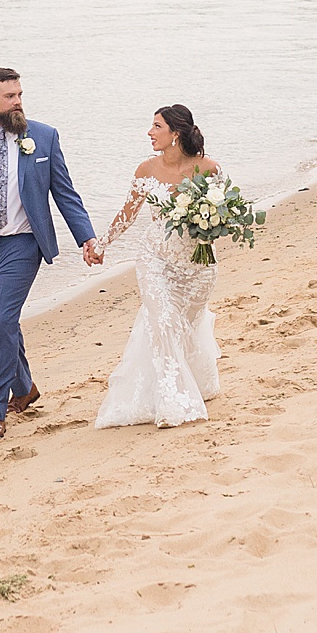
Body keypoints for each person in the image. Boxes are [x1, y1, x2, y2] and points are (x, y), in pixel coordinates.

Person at [0, 68, 96, 442]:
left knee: (5, 319)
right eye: (10, 97)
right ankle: (24, 387)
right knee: (0, 322)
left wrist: (85, 238)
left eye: (20, 94)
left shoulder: (43, 136)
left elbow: (64, 192)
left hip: (24, 243)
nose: (18, 102)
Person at [85, 105, 224, 429]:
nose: (150, 132)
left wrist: (209, 223)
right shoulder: (146, 170)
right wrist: (100, 245)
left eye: (156, 126)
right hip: (155, 258)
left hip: (197, 264)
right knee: (161, 322)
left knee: (184, 326)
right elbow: (128, 213)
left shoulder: (209, 169)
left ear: (175, 133)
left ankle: (193, 383)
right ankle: (172, 400)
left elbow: (224, 216)